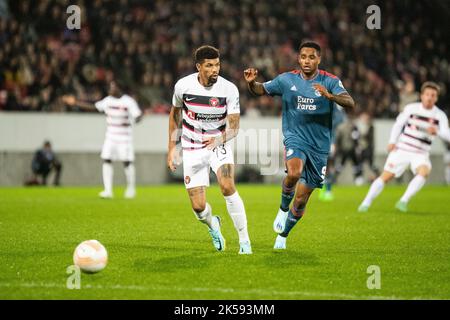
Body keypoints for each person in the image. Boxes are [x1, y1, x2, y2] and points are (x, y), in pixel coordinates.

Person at [244, 41, 355, 250]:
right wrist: (251, 83)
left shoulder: (330, 81)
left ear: (318, 59)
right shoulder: (287, 79)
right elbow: (261, 89)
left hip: (320, 146)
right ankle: (282, 208)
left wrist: (330, 96)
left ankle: (283, 235)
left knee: (302, 199)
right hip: (295, 137)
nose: (306, 61)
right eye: (303, 56)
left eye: (311, 57)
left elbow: (351, 102)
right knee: (294, 173)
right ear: (298, 58)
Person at [167, 45, 252, 254]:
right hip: (191, 147)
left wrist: (218, 140)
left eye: (217, 64)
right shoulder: (183, 86)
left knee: (227, 186)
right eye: (209, 65)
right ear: (199, 67)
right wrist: (171, 148)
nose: (215, 69)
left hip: (218, 143)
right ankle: (214, 225)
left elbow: (234, 127)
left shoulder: (229, 89)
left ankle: (244, 241)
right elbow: (175, 115)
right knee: (198, 207)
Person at [358, 82, 450, 212]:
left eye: (433, 95)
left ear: (436, 98)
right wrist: (392, 141)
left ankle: (403, 201)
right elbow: (398, 124)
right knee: (386, 176)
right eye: (427, 94)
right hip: (403, 149)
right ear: (422, 96)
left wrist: (437, 132)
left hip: (421, 153)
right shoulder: (411, 108)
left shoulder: (440, 115)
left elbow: (447, 134)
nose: (430, 97)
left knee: (424, 172)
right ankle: (365, 203)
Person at [62, 80, 143, 199]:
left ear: (119, 88)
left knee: (127, 162)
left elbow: (138, 115)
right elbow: (94, 107)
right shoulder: (108, 100)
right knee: (106, 159)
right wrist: (75, 103)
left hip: (124, 137)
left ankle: (131, 189)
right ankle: (108, 190)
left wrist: (137, 119)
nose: (110, 89)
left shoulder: (128, 101)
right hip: (110, 136)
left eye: (112, 87)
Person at [318, 105, 346, 201]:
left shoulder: (335, 107)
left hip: (330, 140)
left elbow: (341, 121)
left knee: (328, 165)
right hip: (321, 140)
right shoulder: (328, 106)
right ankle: (323, 188)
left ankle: (327, 189)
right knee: (324, 166)